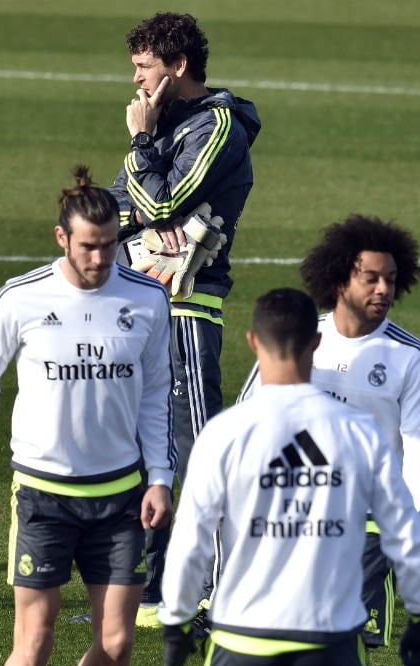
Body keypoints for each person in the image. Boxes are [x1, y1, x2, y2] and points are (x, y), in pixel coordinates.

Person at [158, 288, 420, 666]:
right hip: (326, 639)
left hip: (241, 638)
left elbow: (192, 539)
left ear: (251, 343)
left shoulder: (223, 434)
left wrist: (177, 621)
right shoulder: (358, 431)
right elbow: (404, 527)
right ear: (316, 342)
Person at [0, 165, 176, 666]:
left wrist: (160, 478)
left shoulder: (146, 299)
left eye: (110, 243)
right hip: (44, 494)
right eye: (88, 245)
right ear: (62, 237)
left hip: (121, 497)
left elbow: (160, 392)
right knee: (37, 637)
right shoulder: (19, 298)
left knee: (117, 644)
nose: (101, 256)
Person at [235, 217, 420, 666]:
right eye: (370, 278)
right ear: (340, 279)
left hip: (367, 529)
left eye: (391, 280)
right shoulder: (301, 337)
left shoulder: (410, 358)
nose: (382, 290)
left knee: (340, 657)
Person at [107, 12, 261, 624]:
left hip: (188, 305)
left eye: (144, 66)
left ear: (177, 66)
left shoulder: (219, 127)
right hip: (140, 302)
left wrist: (142, 144)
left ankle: (215, 588)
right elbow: (121, 212)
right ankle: (159, 581)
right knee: (144, 447)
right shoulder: (166, 121)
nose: (136, 79)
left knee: (195, 446)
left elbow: (164, 201)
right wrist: (142, 217)